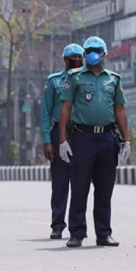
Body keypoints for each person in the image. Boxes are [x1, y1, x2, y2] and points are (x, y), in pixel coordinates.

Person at [58, 36, 130, 248]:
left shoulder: (113, 79)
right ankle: (77, 233)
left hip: (107, 138)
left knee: (104, 189)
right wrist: (62, 140)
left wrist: (126, 141)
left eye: (97, 50)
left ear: (104, 54)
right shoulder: (75, 77)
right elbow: (65, 108)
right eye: (89, 50)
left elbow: (120, 109)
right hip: (83, 137)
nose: (92, 53)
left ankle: (104, 233)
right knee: (79, 187)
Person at [41, 43, 84, 240]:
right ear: (65, 60)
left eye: (79, 56)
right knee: (60, 182)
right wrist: (46, 141)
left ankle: (78, 225)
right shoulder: (54, 81)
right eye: (72, 57)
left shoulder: (87, 79)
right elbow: (45, 113)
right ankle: (57, 225)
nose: (77, 59)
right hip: (59, 132)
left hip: (82, 133)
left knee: (80, 182)